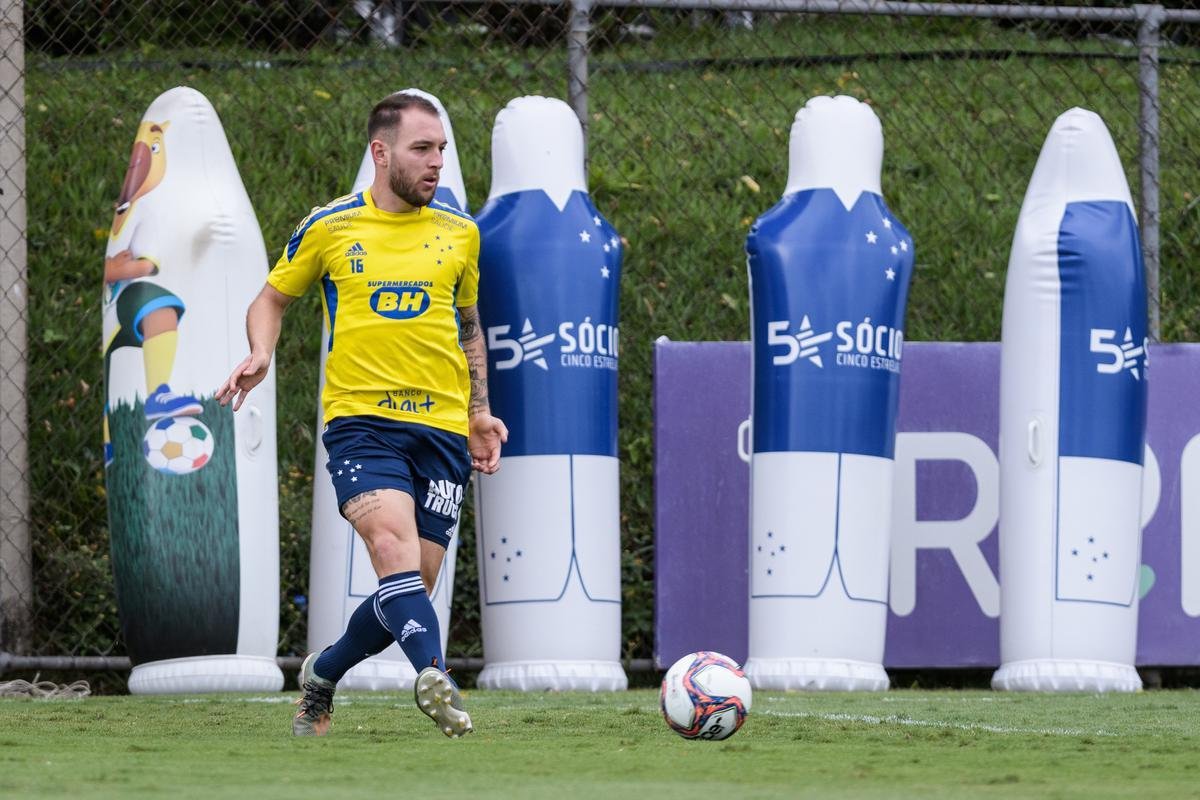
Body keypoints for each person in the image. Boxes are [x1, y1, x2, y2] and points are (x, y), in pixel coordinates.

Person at [216, 92, 507, 738]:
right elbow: (271, 298)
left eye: (441, 151)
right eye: (421, 150)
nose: (436, 163)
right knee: (389, 547)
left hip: (440, 433)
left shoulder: (462, 233)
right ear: (381, 153)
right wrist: (261, 350)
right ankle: (435, 676)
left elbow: (468, 327)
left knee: (408, 588)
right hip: (362, 424)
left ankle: (323, 672)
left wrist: (479, 413)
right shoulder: (330, 226)